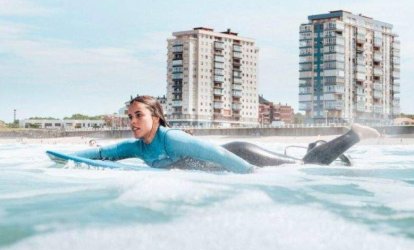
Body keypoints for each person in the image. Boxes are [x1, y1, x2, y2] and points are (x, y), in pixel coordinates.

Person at [72, 95, 380, 173]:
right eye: (130, 117)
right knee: (303, 161)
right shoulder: (138, 147)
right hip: (228, 162)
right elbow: (104, 154)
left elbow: (217, 154)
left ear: (156, 117)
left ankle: (353, 134)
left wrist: (251, 174)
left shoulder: (173, 138)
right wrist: (68, 158)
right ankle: (317, 145)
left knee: (305, 168)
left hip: (240, 154)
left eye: (138, 115)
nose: (133, 122)